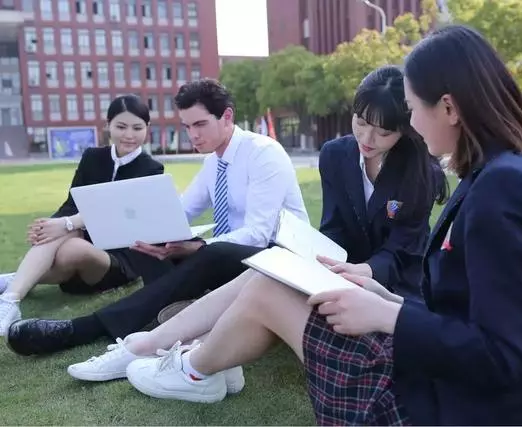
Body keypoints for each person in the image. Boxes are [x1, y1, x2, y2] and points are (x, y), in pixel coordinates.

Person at [121, 25, 522, 426]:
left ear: (448, 108)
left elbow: (511, 358)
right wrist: (384, 298)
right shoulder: (500, 173)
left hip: (455, 407)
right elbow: (476, 314)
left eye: (410, 110)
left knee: (266, 290)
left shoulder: (502, 190)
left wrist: (388, 314)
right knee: (270, 276)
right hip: (450, 376)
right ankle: (184, 360)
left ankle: (191, 369)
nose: (411, 124)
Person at [62, 65, 448, 385]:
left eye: (383, 131)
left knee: (257, 273)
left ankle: (177, 354)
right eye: (360, 123)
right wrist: (321, 260)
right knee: (264, 271)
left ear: (405, 128)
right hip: (333, 267)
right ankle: (153, 347)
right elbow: (333, 227)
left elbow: (403, 251)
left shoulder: (420, 172)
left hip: (384, 285)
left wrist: (363, 270)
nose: (367, 137)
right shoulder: (337, 154)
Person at [6, 78, 308, 356]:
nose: (193, 135)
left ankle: (86, 327)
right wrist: (153, 232)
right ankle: (176, 308)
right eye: (187, 126)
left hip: (276, 258)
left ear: (227, 116)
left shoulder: (263, 153)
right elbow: (179, 211)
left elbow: (257, 233)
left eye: (200, 124)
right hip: (232, 259)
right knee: (147, 239)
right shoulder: (213, 163)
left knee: (212, 251)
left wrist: (197, 246)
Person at [0, 95, 165, 334]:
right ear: (108, 125)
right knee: (64, 239)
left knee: (72, 245)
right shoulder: (92, 157)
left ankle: (16, 279)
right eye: (121, 127)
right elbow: (71, 203)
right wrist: (51, 225)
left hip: (120, 257)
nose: (129, 135)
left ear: (147, 128)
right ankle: (10, 300)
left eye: (137, 128)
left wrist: (67, 223)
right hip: (80, 244)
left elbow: (120, 214)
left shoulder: (152, 169)